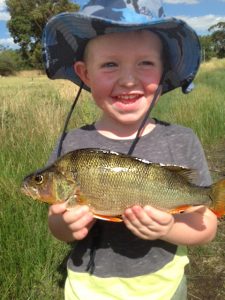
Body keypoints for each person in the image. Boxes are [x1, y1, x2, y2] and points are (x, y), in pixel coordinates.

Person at [42, 1, 218, 299]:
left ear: (163, 75)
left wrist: (167, 229)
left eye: (145, 64)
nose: (128, 79)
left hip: (162, 288)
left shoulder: (181, 139)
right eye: (110, 64)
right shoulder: (70, 144)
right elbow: (56, 222)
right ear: (85, 73)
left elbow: (206, 227)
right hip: (88, 290)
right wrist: (64, 225)